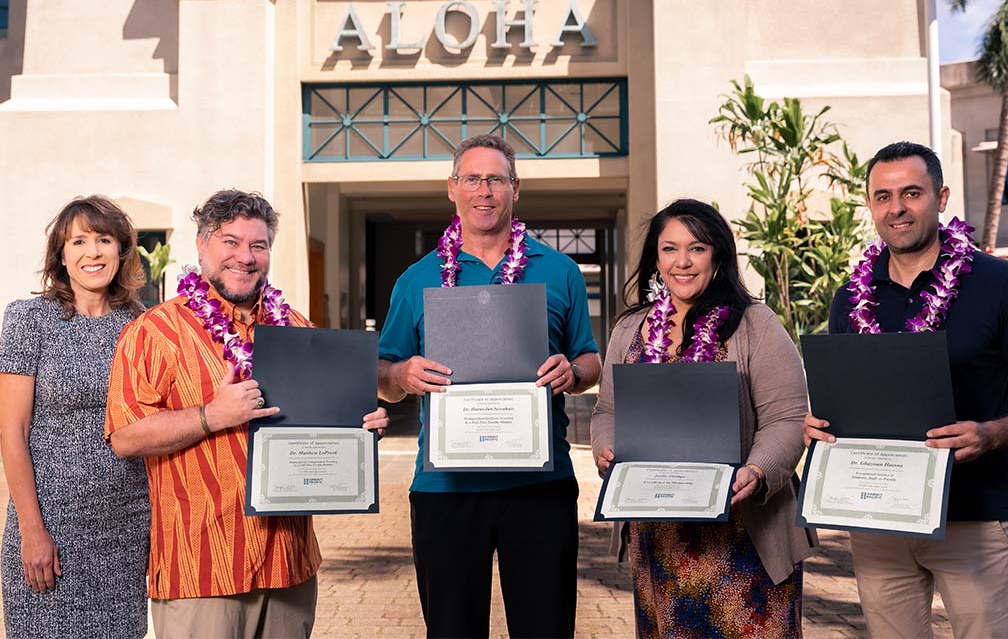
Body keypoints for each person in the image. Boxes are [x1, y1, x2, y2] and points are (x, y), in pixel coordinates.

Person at [105, 189, 389, 639]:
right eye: (230, 242)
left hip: (287, 563)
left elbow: (331, 419)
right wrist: (211, 416)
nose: (245, 257)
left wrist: (362, 425)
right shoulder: (154, 332)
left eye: (258, 245)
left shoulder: (295, 327)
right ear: (201, 245)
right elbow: (124, 437)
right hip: (201, 567)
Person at [377, 135, 602, 638]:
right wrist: (402, 375)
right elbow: (384, 377)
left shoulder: (559, 271)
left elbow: (591, 360)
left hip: (540, 486)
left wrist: (574, 372)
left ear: (515, 189)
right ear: (452, 189)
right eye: (472, 179)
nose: (484, 191)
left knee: (545, 628)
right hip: (445, 489)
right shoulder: (416, 279)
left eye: (496, 179)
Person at [804, 141, 1008, 638]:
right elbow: (847, 405)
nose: (896, 208)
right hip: (878, 520)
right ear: (870, 206)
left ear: (941, 197)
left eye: (911, 193)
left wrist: (991, 433)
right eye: (882, 196)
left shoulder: (999, 283)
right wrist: (818, 427)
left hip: (973, 518)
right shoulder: (850, 297)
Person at [591, 199, 813, 638]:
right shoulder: (629, 329)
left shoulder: (756, 324)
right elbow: (608, 411)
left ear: (718, 255)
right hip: (659, 539)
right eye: (670, 249)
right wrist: (603, 446)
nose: (683, 262)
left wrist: (757, 469)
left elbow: (787, 418)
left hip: (744, 539)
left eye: (697, 248)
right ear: (656, 259)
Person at [0, 196, 150, 638]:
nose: (93, 252)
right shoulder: (29, 319)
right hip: (50, 527)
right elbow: (12, 429)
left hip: (125, 531)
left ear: (121, 251)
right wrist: (32, 532)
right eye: (79, 241)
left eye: (104, 240)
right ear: (61, 256)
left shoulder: (139, 324)